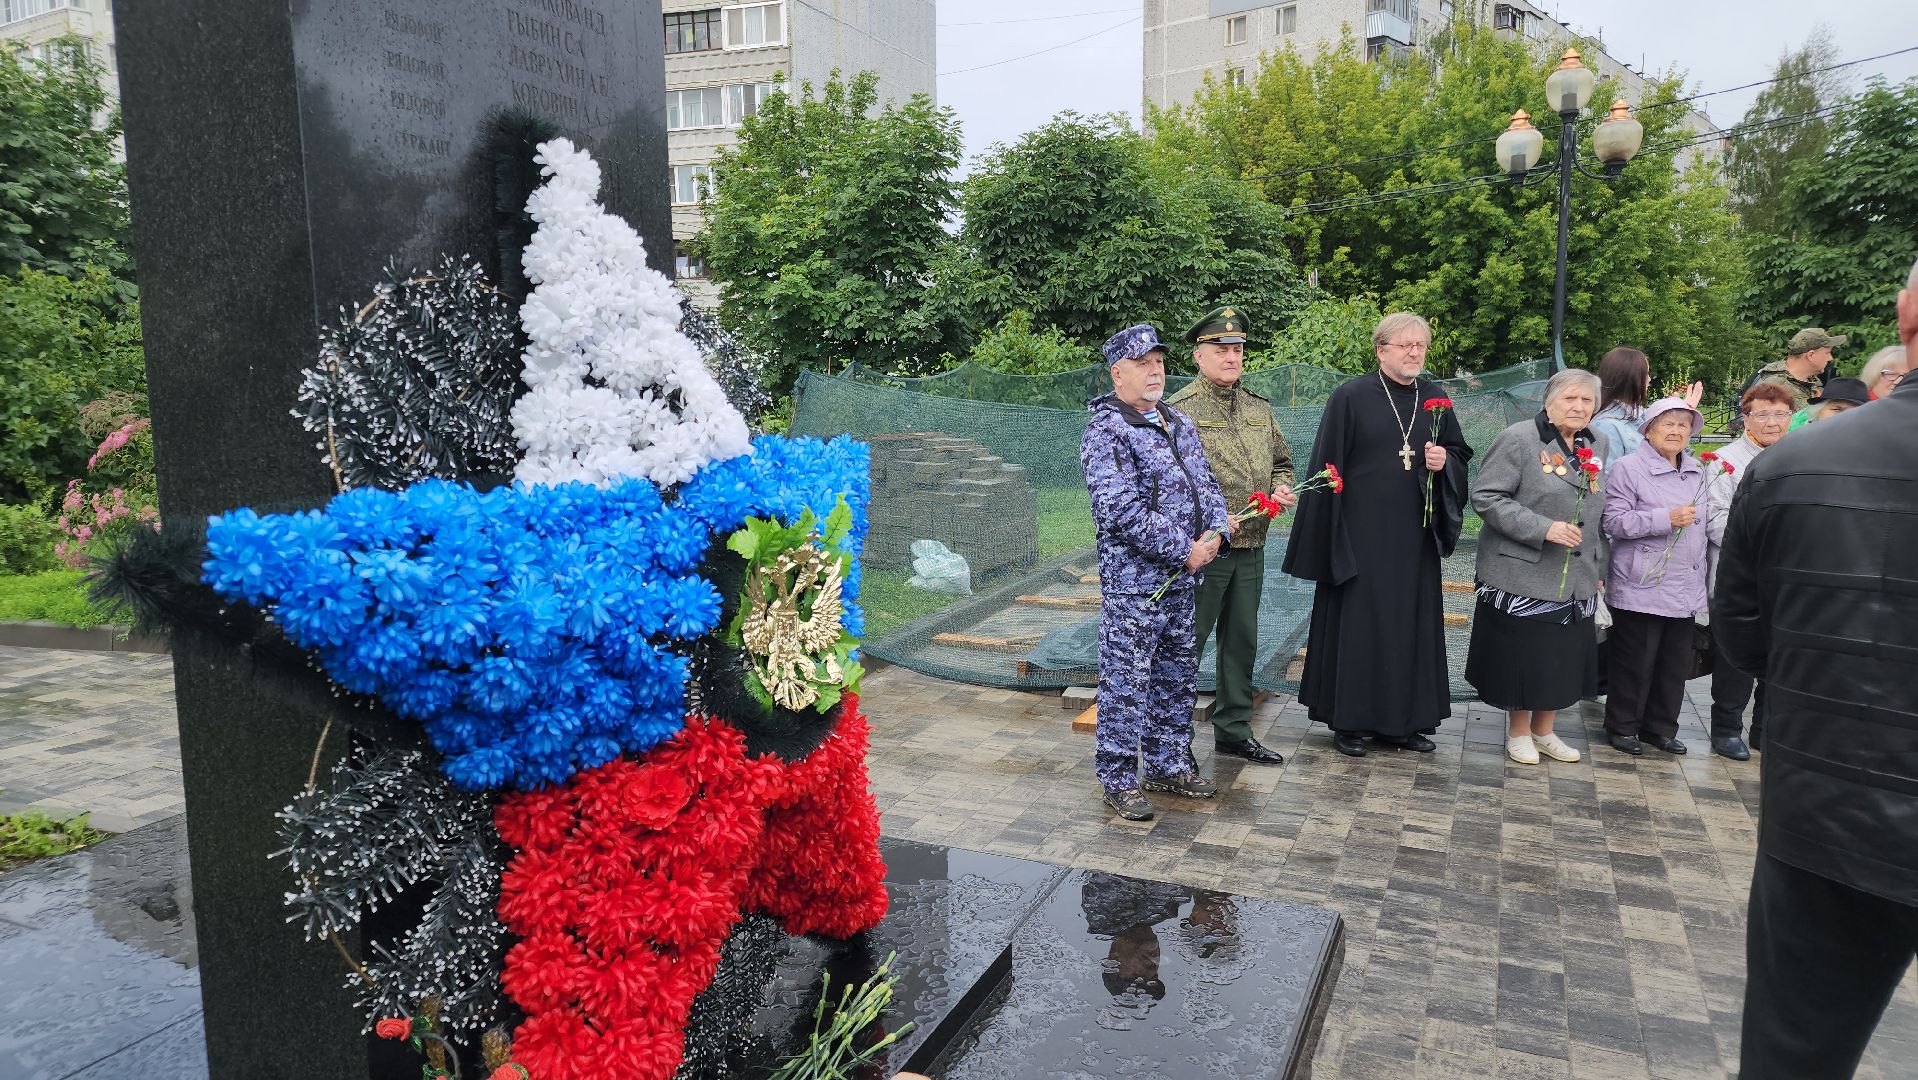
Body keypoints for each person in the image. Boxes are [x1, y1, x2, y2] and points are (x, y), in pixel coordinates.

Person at [1714, 257, 1918, 1079]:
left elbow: (1746, 637)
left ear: (1906, 311)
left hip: (1829, 804)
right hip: (1831, 813)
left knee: (1793, 1059)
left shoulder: (1792, 468)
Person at [1282, 312, 1473, 757]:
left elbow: (1460, 452)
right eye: (1405, 345)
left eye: (1420, 345)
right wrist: (1328, 538)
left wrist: (1445, 460)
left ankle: (1403, 723)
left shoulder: (1436, 399)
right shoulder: (1351, 396)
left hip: (1414, 537)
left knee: (1410, 627)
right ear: (1381, 349)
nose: (1414, 352)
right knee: (1360, 627)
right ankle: (1350, 721)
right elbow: (1326, 467)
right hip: (1360, 536)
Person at [1080, 324, 1231, 821]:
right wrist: (1180, 549)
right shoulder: (1105, 430)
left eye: (1159, 362)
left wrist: (1214, 533)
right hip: (1135, 587)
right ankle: (1118, 779)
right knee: (1127, 682)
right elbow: (1118, 510)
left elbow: (1204, 484)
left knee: (1176, 677)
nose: (1155, 370)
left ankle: (1168, 765)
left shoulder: (1177, 422)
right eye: (1143, 363)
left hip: (1182, 581)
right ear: (1117, 371)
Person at [1165, 305, 1294, 767]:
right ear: (1198, 355)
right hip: (1204, 551)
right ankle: (1169, 738)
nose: (1231, 356)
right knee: (1186, 643)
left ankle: (1234, 729)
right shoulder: (1179, 411)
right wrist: (1209, 522)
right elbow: (1170, 482)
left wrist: (1281, 486)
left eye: (1237, 349)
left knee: (1241, 641)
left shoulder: (1259, 408)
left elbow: (1282, 461)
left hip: (1252, 545)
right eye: (1220, 349)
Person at [1466, 369, 1607, 765]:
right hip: (1524, 571)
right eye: (1570, 399)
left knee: (1562, 659)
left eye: (1587, 400)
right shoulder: (1519, 439)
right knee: (1526, 658)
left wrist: (1600, 565)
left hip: (1577, 574)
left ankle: (1545, 731)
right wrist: (1544, 528)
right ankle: (1518, 732)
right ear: (1549, 400)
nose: (1579, 407)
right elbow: (1487, 497)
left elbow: (1598, 509)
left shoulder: (1599, 443)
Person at [1598, 397, 1708, 756]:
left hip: (1685, 584)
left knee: (1674, 663)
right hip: (1641, 581)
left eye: (1683, 425)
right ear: (1649, 429)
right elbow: (1613, 522)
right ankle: (1623, 726)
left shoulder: (1698, 470)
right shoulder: (1629, 468)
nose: (1677, 431)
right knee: (1635, 661)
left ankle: (1660, 728)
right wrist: (1665, 519)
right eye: (1668, 424)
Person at [1700, 383, 1793, 760]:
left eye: (1780, 414)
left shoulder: (1798, 456)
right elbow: (1715, 519)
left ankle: (1764, 729)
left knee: (1779, 651)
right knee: (1735, 654)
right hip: (1739, 572)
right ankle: (1726, 727)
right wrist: (1765, 548)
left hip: (1785, 574)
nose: (1772, 422)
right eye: (1762, 414)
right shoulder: (1726, 461)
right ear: (1745, 417)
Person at [1589, 346, 1702, 458]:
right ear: (1632, 378)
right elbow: (1607, 474)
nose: (1649, 379)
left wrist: (1680, 416)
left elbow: (1673, 461)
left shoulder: (1642, 416)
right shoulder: (1606, 427)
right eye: (1646, 374)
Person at [1751, 327, 1846, 413]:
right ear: (1811, 355)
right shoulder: (1774, 388)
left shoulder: (1812, 382)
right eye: (1827, 353)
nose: (1830, 358)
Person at [1786, 376, 1870, 430]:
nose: (1845, 416)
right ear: (1818, 411)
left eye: (1854, 412)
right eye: (1837, 409)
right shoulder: (1794, 439)